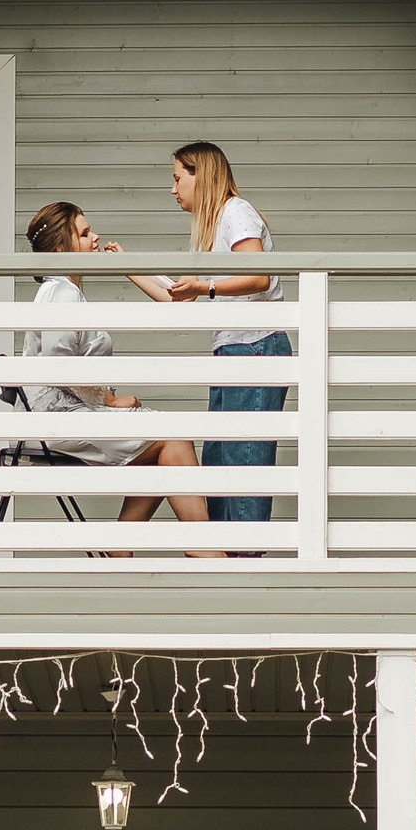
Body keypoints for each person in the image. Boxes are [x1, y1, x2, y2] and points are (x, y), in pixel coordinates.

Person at [17, 201, 222, 558]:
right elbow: (57, 365)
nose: (95, 238)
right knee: (172, 438)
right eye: (84, 233)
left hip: (72, 413)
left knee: (161, 447)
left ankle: (124, 549)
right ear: (62, 250)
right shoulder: (60, 293)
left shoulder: (66, 290)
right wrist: (108, 400)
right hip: (61, 421)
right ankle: (203, 551)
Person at [131, 143, 285, 537]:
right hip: (233, 350)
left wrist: (205, 285)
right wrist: (124, 265)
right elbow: (179, 297)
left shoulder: (236, 211)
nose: (173, 189)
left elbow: (259, 276)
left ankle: (243, 555)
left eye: (177, 177)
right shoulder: (212, 226)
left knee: (243, 458)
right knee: (220, 457)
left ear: (201, 175)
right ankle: (223, 552)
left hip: (255, 346)